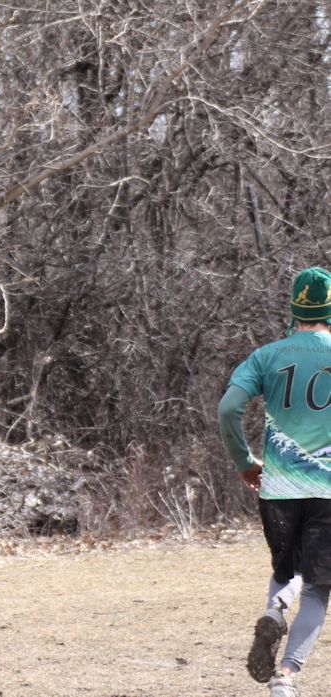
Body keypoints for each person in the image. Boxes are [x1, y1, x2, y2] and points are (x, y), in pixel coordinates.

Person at [219, 266, 331, 697]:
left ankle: (275, 607)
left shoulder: (266, 356)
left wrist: (244, 461)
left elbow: (229, 408)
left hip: (278, 487)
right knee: (318, 588)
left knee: (287, 568)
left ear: (294, 308)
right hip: (328, 490)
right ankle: (285, 677)